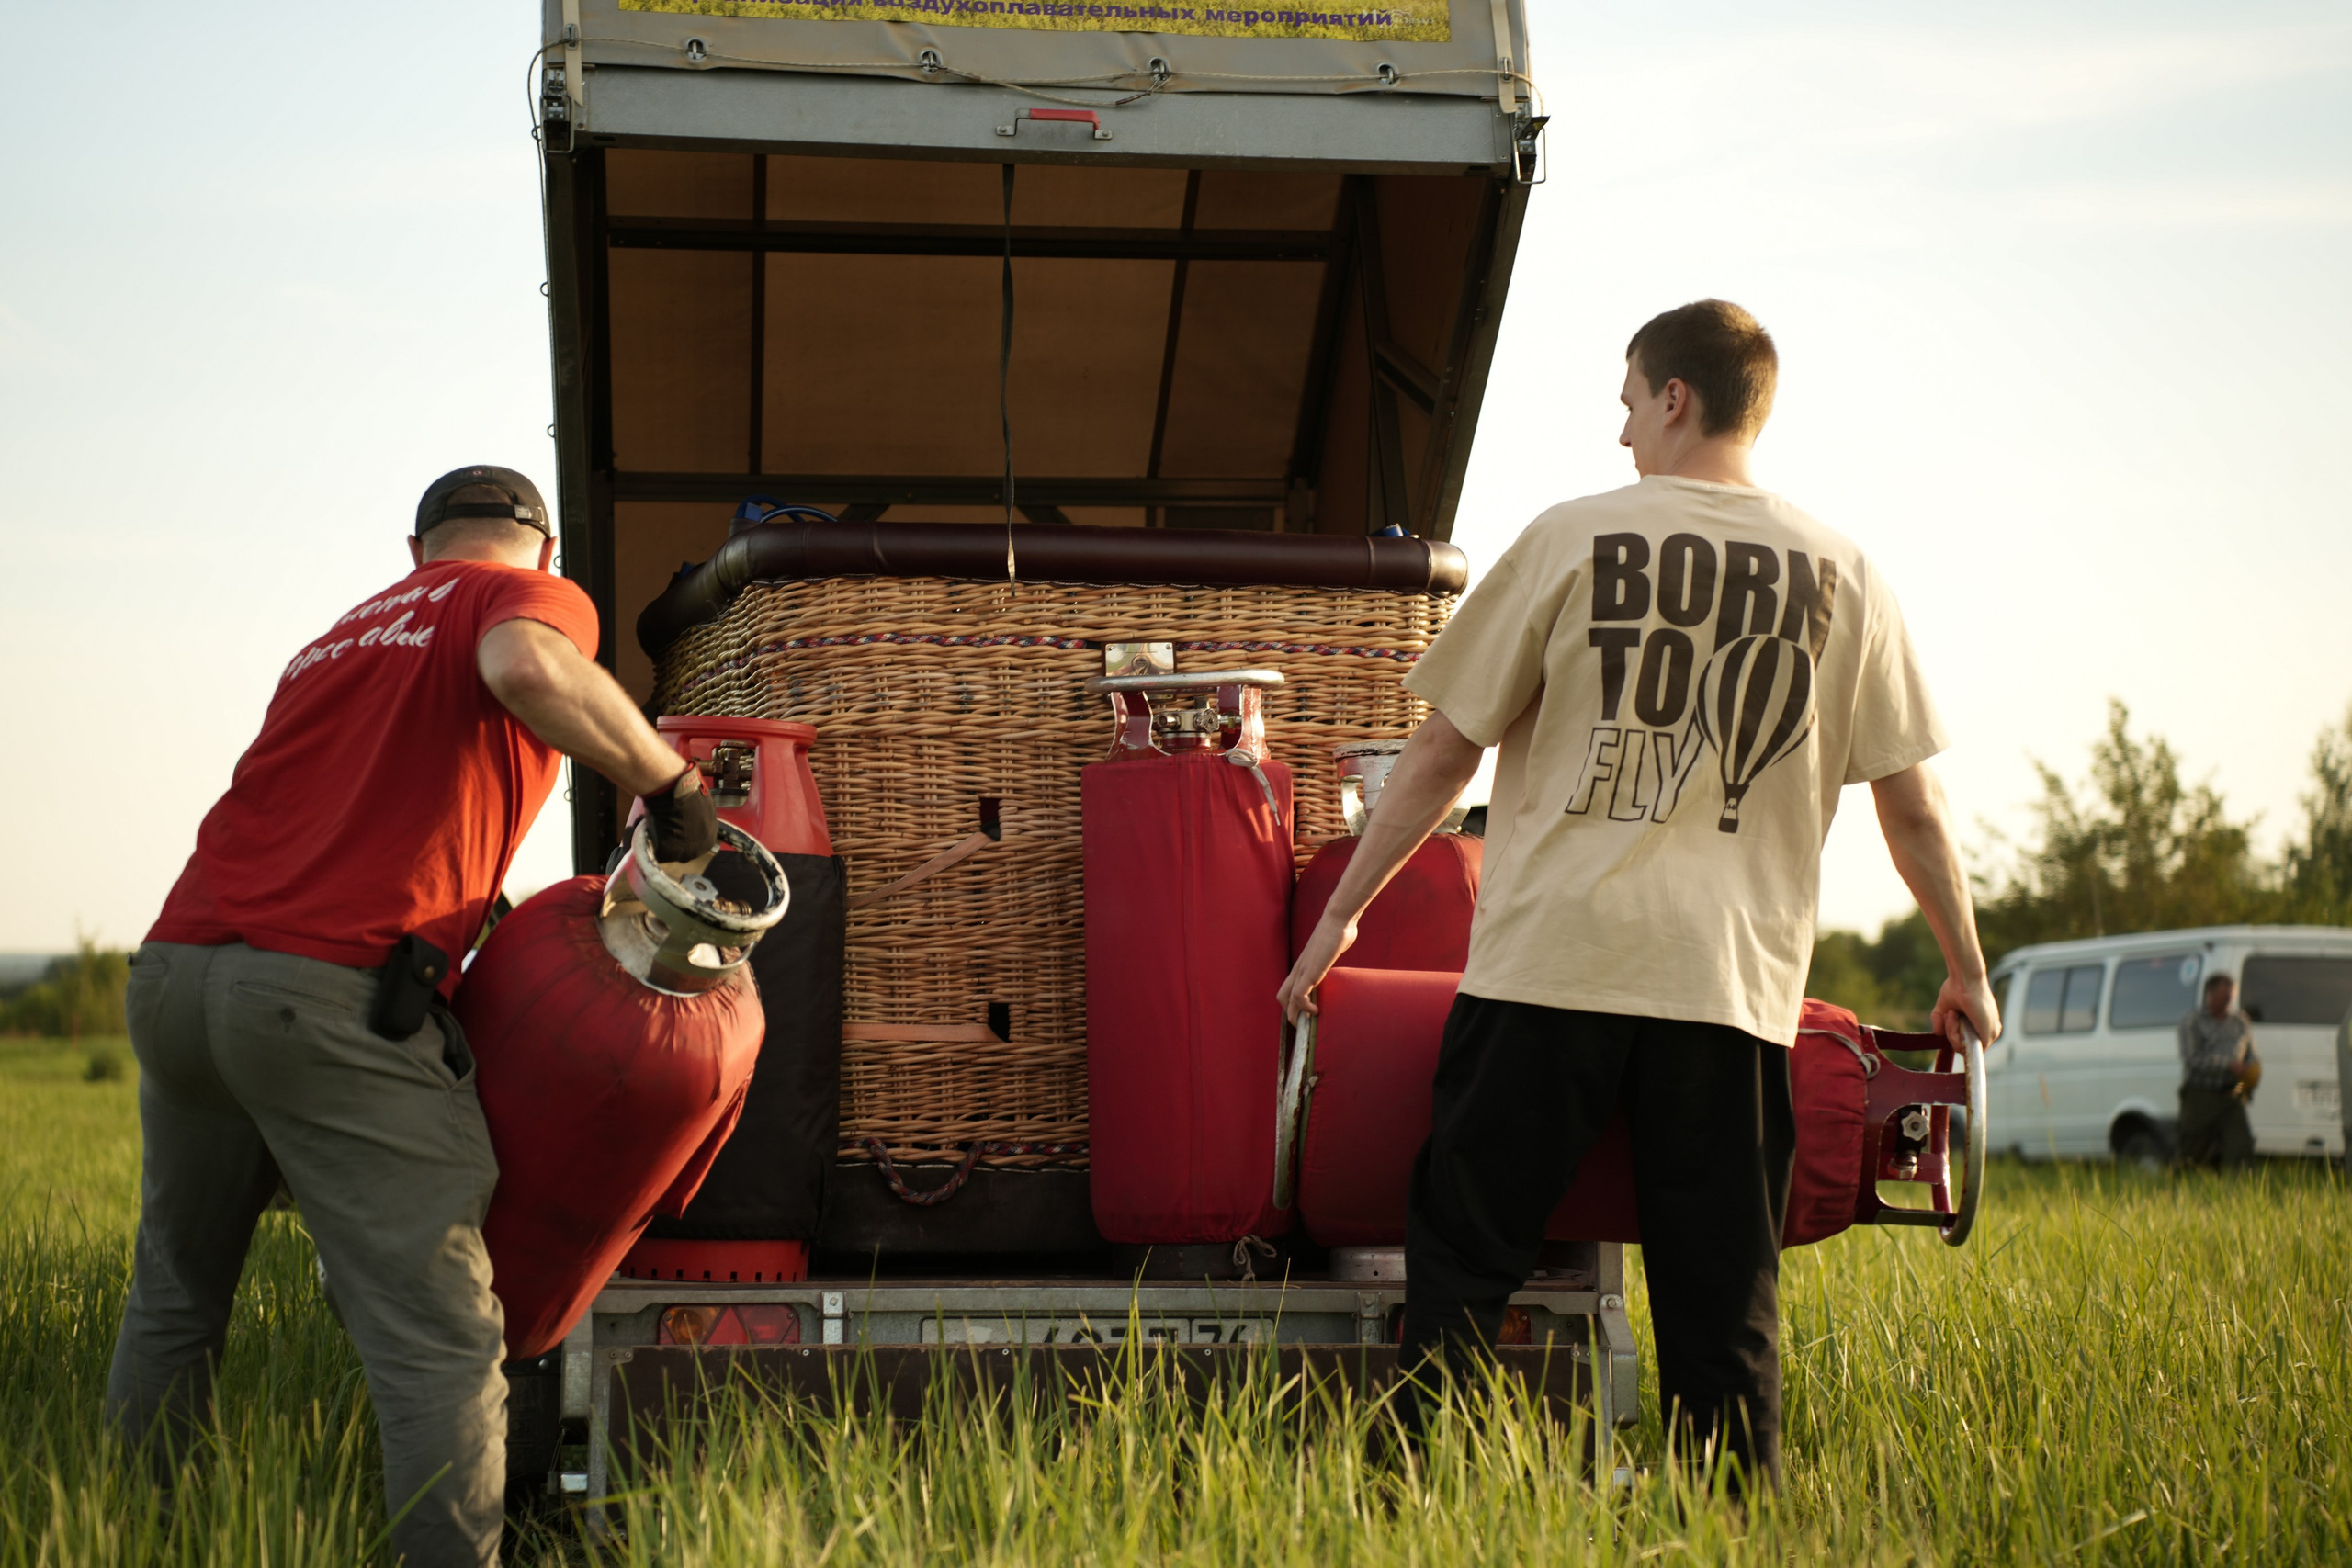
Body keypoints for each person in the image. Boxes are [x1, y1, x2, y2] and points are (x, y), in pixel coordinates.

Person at [1279, 300, 2001, 1492]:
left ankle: (1415, 1494)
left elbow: (1440, 755)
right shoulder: (1842, 573)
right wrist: (1966, 966)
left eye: (1627, 401)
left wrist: (1344, 913)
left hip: (1549, 964)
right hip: (1728, 990)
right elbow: (1911, 805)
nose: (1620, 434)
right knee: (1723, 1290)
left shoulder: (1569, 539)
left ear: (1676, 397)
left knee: (1462, 1252)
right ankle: (1724, 1510)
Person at [107, 467, 719, 1567]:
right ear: (541, 550)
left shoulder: (337, 639)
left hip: (177, 977)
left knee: (175, 1301)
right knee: (443, 1339)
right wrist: (670, 784)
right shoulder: (521, 601)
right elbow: (527, 667)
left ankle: (137, 1539)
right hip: (319, 995)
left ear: (415, 545)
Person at [2177, 973, 2258, 1170]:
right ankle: (2184, 1183)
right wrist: (2227, 1065)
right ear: (2210, 993)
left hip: (2234, 1090)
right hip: (2201, 1093)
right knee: (2193, 1147)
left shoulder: (2240, 1021)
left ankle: (2241, 1189)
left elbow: (2251, 1055)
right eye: (2225, 995)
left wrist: (2250, 1071)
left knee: (2241, 1144)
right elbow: (2191, 1059)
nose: (2230, 999)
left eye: (2232, 995)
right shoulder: (2192, 1021)